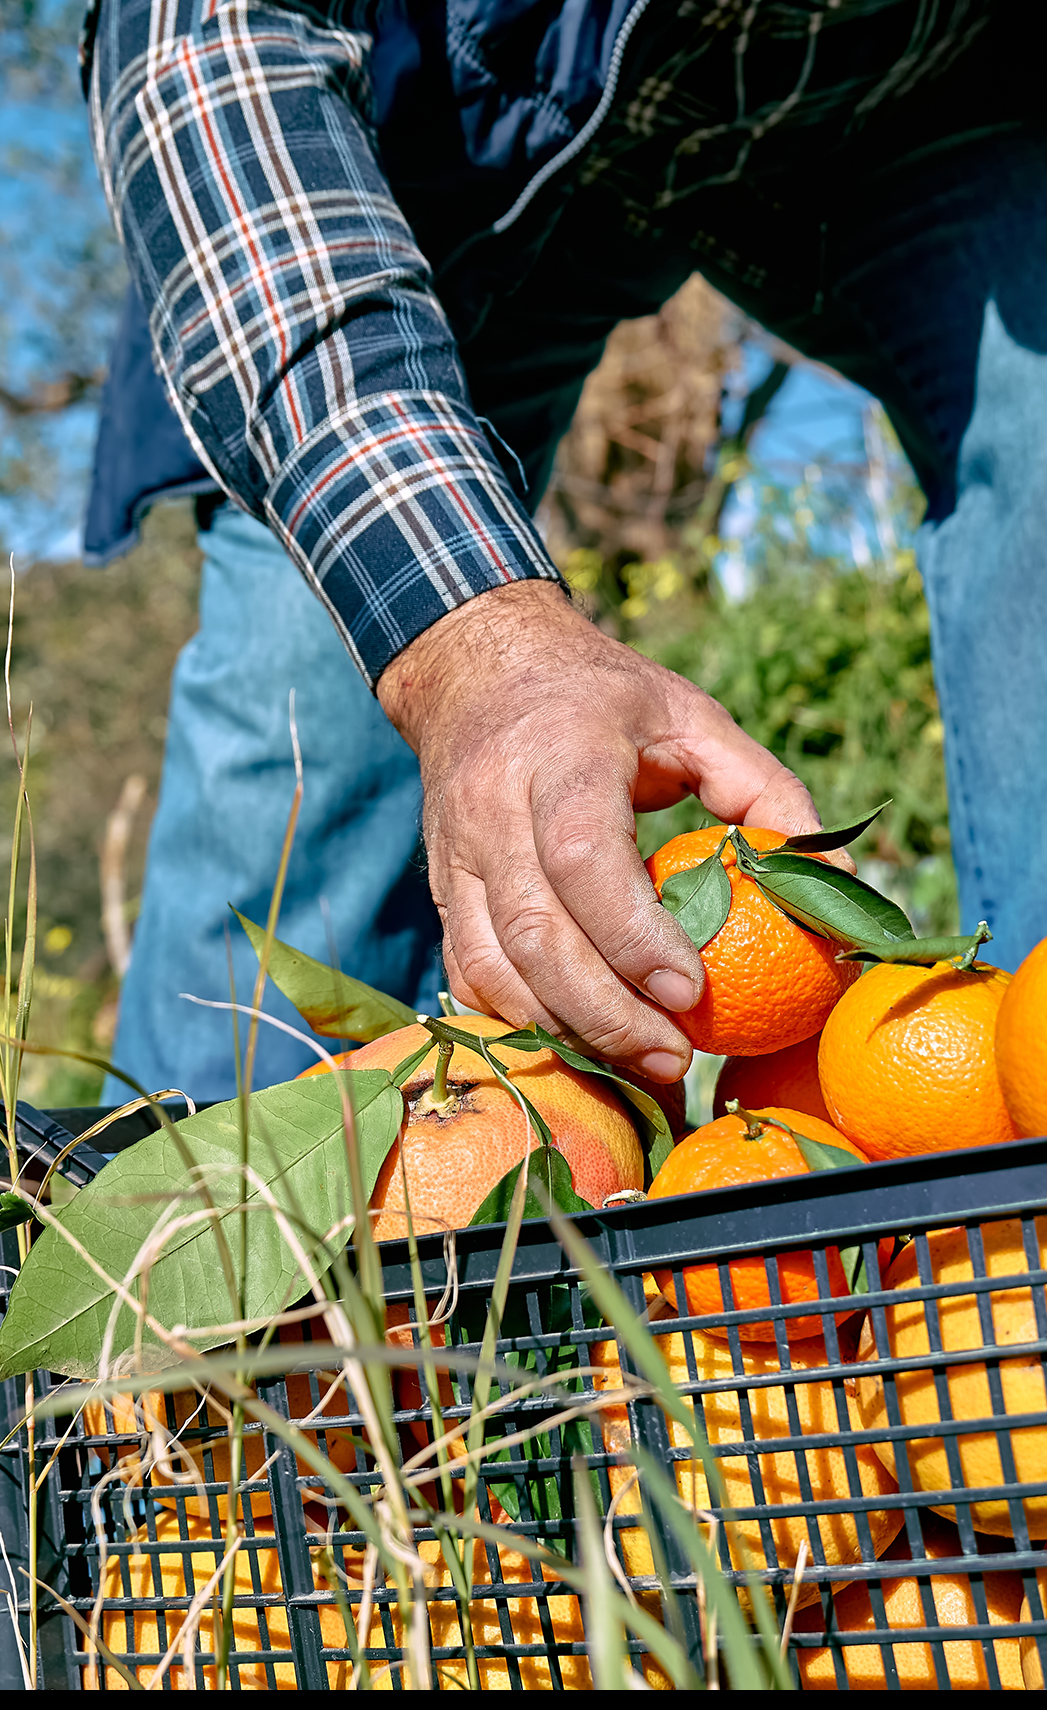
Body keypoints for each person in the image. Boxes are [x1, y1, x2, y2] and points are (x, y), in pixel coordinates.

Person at [82, 0, 1044, 1105]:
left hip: (900, 91)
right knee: (308, 693)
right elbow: (202, 55)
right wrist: (468, 639)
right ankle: (190, 1239)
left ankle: (1018, 1159)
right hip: (461, 105)